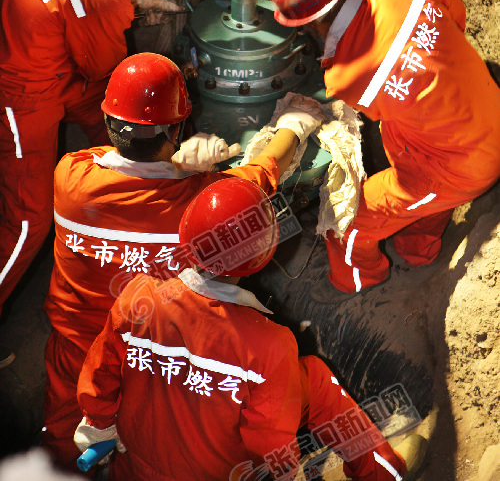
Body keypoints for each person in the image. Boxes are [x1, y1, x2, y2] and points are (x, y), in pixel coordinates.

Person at [43, 50, 325, 471]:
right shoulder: (200, 199)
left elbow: (121, 170)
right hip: (151, 353)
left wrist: (173, 161)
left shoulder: (69, 176)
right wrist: (294, 124)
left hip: (74, 345)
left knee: (65, 438)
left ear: (107, 119)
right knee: (153, 439)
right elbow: (263, 173)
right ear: (176, 127)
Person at [74, 176, 425, 481]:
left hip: (134, 470)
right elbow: (269, 444)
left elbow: (100, 375)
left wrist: (99, 425)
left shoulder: (137, 298)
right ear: (264, 254)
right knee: (315, 379)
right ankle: (384, 472)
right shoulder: (268, 345)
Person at [0, 0, 213, 348]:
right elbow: (102, 69)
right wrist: (124, 6)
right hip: (19, 84)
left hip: (33, 41)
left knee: (116, 123)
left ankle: (133, 195)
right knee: (27, 220)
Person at [266, 0, 500, 297]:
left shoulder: (344, 77)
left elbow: (368, 102)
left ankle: (358, 286)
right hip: (485, 111)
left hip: (460, 169)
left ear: (306, 23)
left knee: (344, 221)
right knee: (414, 163)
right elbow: (455, 15)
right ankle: (417, 252)